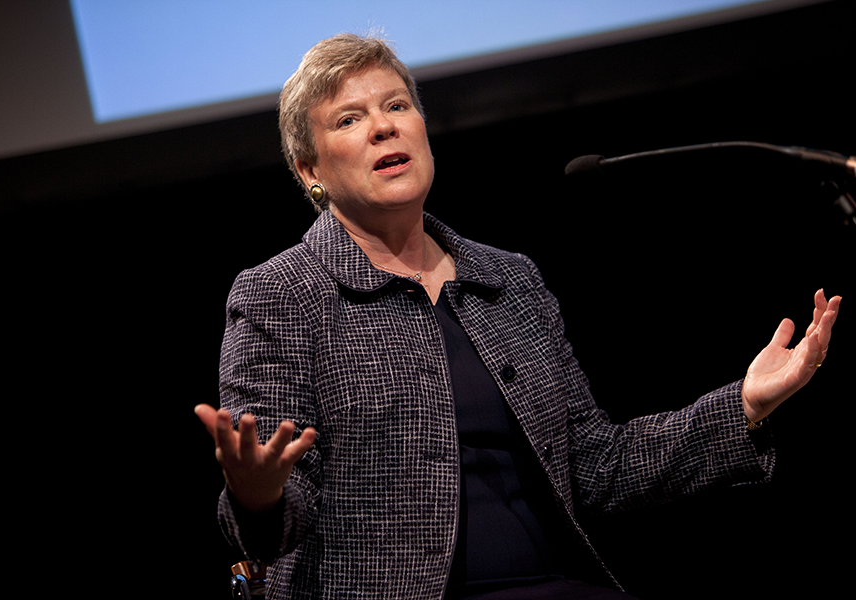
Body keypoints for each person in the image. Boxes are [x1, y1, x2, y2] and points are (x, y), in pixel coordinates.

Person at [195, 33, 841, 600]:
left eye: (397, 106)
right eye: (349, 119)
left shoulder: (507, 279)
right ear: (310, 170)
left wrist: (744, 405)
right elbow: (276, 521)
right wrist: (257, 491)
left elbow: (596, 466)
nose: (384, 127)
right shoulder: (280, 295)